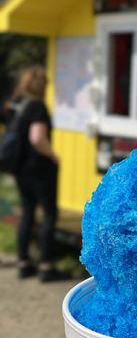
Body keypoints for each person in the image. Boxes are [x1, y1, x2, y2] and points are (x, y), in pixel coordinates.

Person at [0, 66, 65, 281]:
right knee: (48, 213)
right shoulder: (37, 106)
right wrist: (53, 155)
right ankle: (46, 266)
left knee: (27, 212)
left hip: (19, 168)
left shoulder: (14, 104)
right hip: (39, 168)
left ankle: (23, 263)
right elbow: (37, 138)